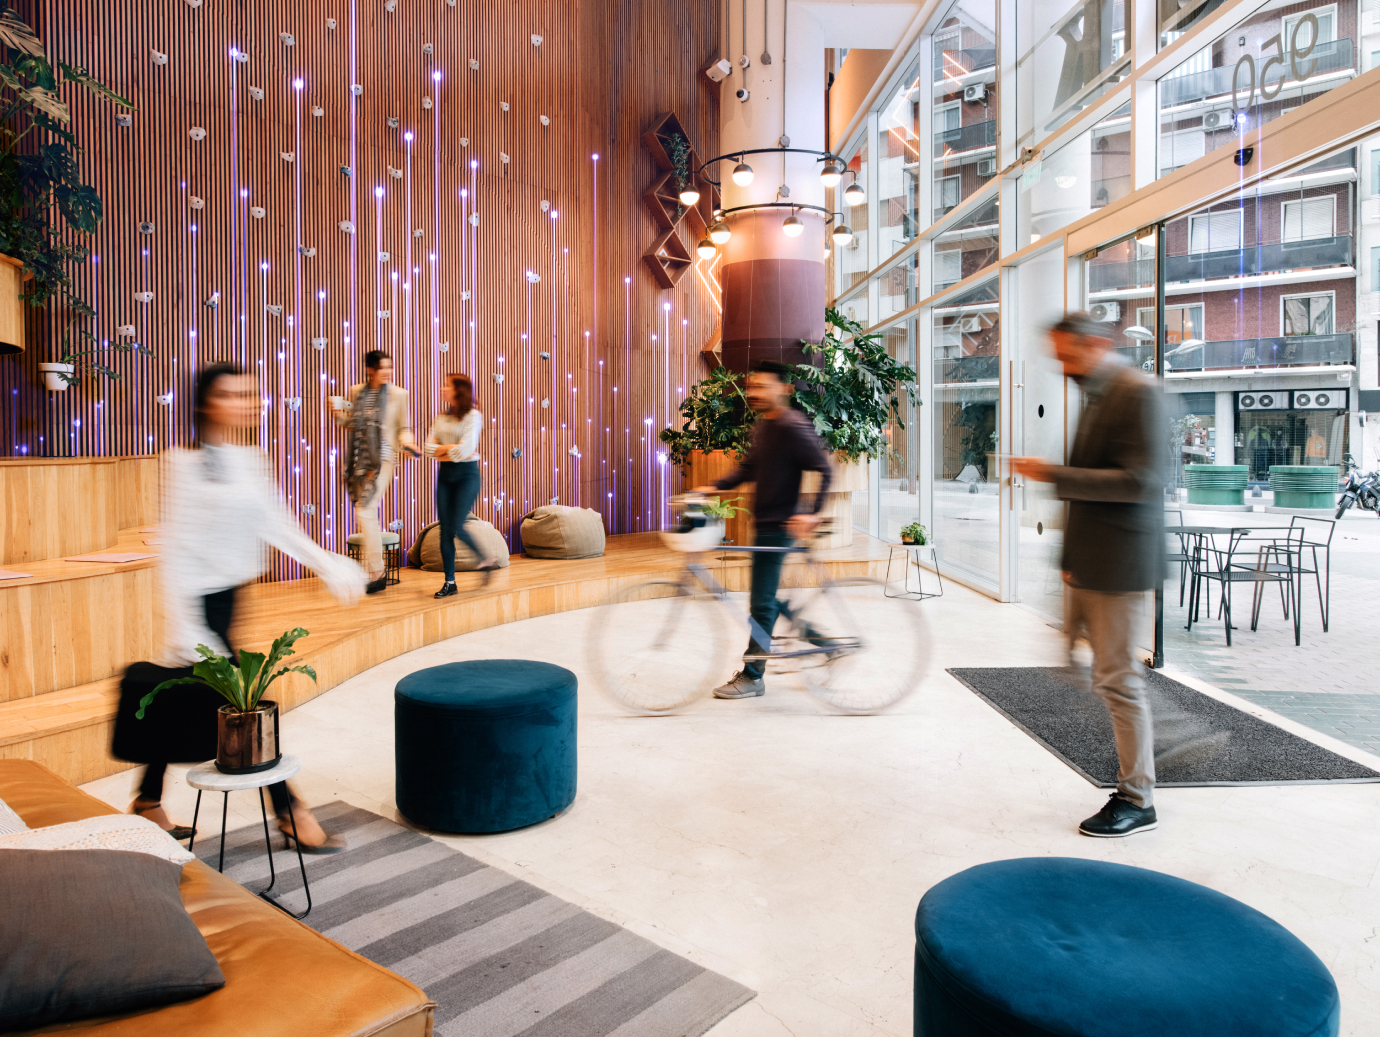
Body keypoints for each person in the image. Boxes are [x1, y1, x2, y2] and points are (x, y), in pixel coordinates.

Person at [115, 362, 367, 850]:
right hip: (199, 608)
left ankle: (147, 802)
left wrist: (327, 563)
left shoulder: (252, 458)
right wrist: (187, 627)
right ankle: (290, 810)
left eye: (249, 393)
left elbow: (276, 523)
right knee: (244, 711)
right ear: (206, 404)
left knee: (187, 703)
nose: (245, 402)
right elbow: (175, 550)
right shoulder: (183, 465)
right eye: (231, 394)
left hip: (232, 600)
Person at [1011, 312, 1166, 838]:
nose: (1063, 365)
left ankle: (1137, 797)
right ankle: (1150, 757)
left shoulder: (1136, 392)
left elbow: (1140, 481)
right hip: (1093, 562)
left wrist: (1051, 474)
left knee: (1119, 681)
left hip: (1120, 567)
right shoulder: (1100, 394)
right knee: (1097, 672)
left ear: (1098, 344)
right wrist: (1070, 560)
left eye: (1069, 355)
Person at [694, 359, 833, 699]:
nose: (753, 392)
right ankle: (822, 641)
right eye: (752, 386)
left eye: (761, 386)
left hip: (781, 527)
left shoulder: (792, 426)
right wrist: (711, 487)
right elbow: (747, 471)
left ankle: (754, 675)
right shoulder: (765, 427)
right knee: (767, 600)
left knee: (761, 604)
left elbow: (824, 469)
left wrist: (812, 513)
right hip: (764, 525)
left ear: (783, 389)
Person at [328, 350, 421, 594]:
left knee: (366, 510)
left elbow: (403, 428)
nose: (388, 372)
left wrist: (408, 443)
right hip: (360, 462)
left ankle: (376, 571)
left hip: (384, 459)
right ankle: (374, 570)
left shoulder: (399, 394)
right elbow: (352, 424)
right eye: (383, 368)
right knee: (365, 512)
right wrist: (337, 414)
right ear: (371, 370)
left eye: (390, 367)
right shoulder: (356, 391)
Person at [425, 373, 499, 597]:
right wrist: (452, 450)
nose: (442, 389)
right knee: (445, 531)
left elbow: (464, 451)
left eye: (446, 385)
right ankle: (450, 582)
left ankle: (486, 559)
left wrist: (443, 450)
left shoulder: (474, 416)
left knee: (456, 525)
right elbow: (428, 449)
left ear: (459, 390)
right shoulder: (441, 418)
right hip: (445, 477)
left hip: (468, 476)